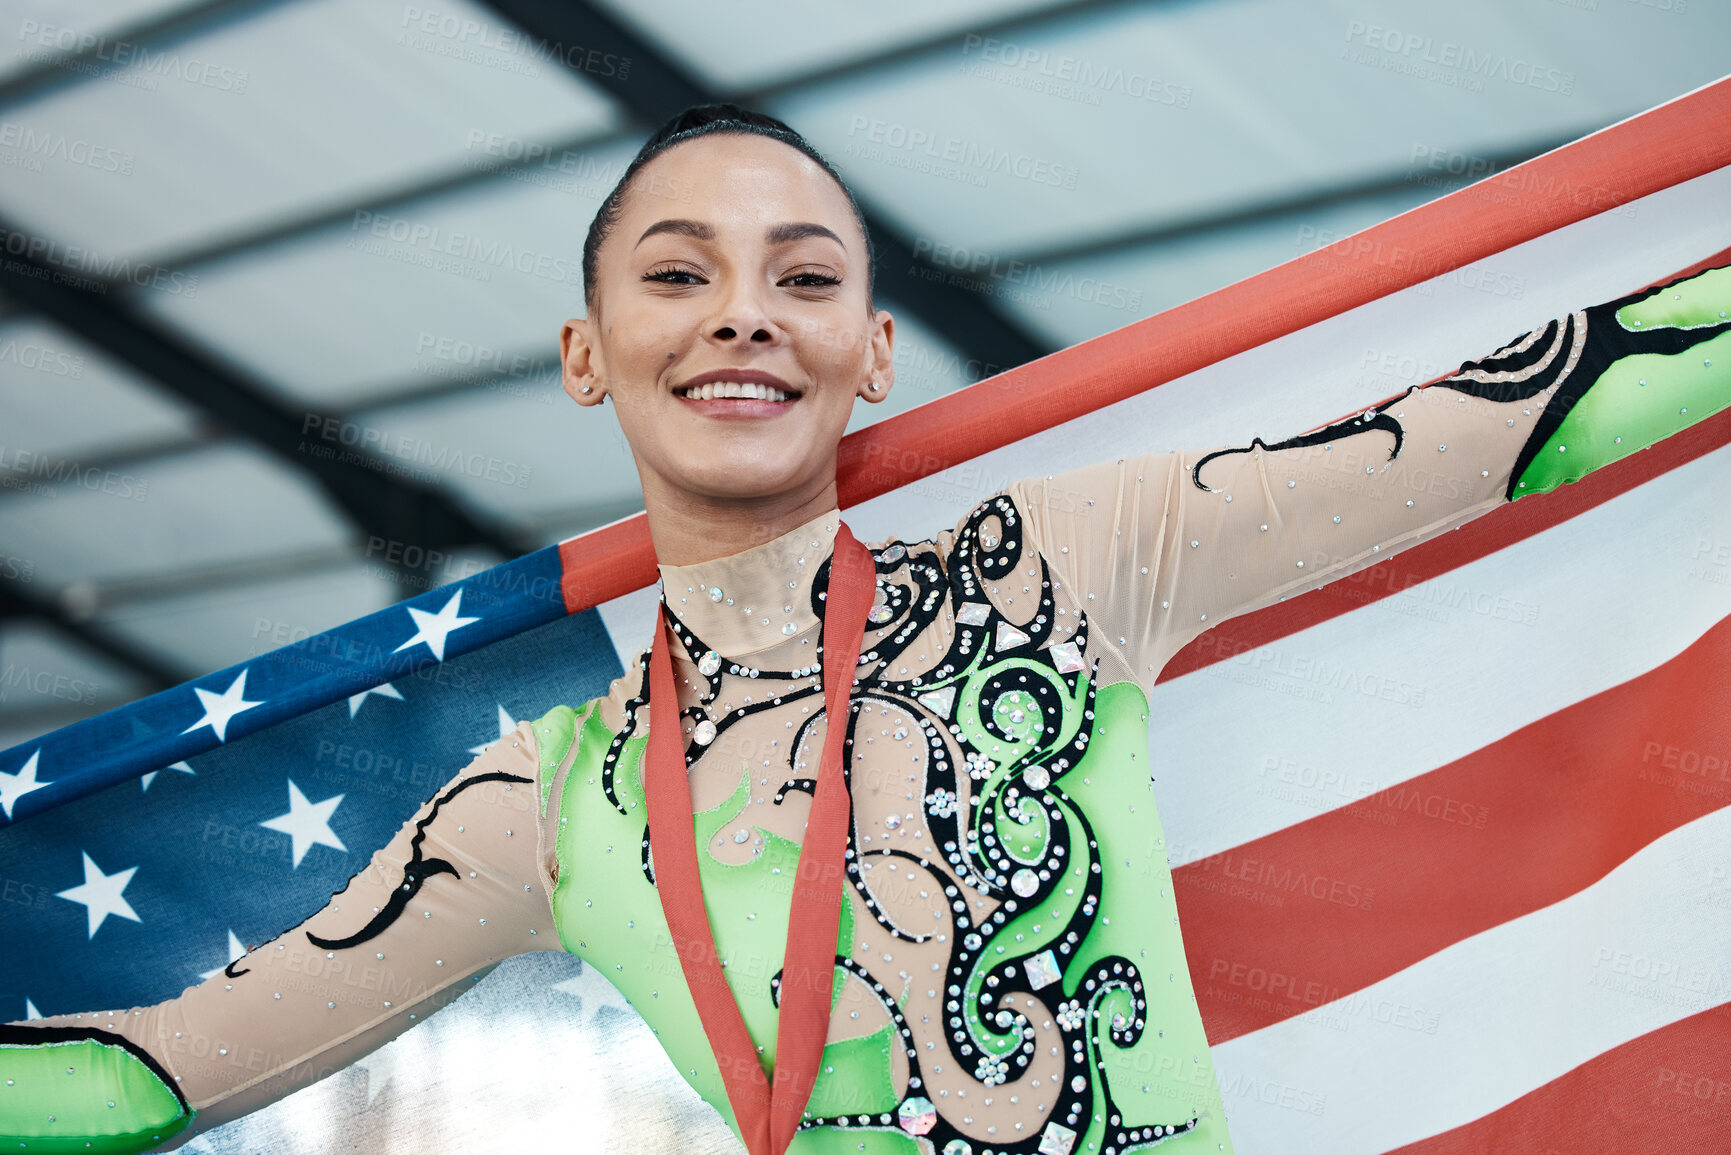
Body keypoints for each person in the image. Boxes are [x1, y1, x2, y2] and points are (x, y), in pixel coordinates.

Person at [1, 102, 1726, 1155]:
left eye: (805, 276)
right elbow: (143, 1081)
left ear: (875, 354)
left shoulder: (1059, 562)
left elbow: (1517, 413)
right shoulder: (546, 806)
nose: (742, 313)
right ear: (586, 355)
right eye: (675, 275)